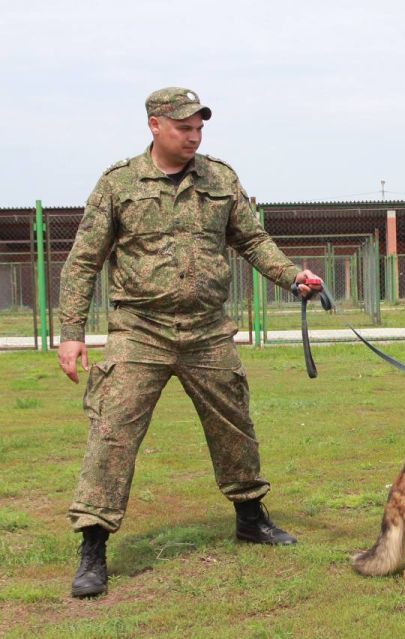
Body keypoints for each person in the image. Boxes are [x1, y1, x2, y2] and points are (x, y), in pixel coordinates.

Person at [57, 87, 322, 599]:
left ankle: (250, 518)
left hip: (206, 330)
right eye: (183, 127)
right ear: (155, 125)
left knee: (234, 425)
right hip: (140, 329)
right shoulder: (118, 183)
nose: (194, 136)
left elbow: (252, 240)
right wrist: (71, 334)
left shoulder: (220, 179)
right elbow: (83, 260)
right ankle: (93, 545)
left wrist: (292, 276)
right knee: (112, 432)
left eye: (199, 127)